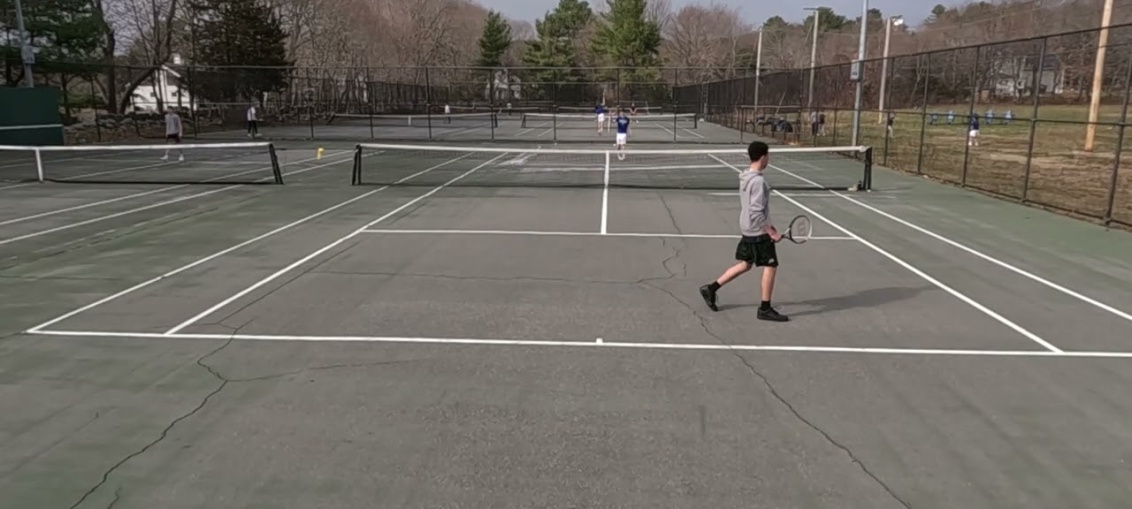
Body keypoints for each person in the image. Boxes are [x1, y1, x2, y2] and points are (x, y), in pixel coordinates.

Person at [699, 140, 788, 322]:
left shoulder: (745, 176)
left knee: (746, 263)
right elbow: (756, 212)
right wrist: (770, 232)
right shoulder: (759, 182)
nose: (768, 159)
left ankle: (711, 289)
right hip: (757, 230)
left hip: (747, 227)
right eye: (768, 156)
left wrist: (769, 226)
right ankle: (765, 308)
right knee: (771, 265)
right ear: (763, 157)